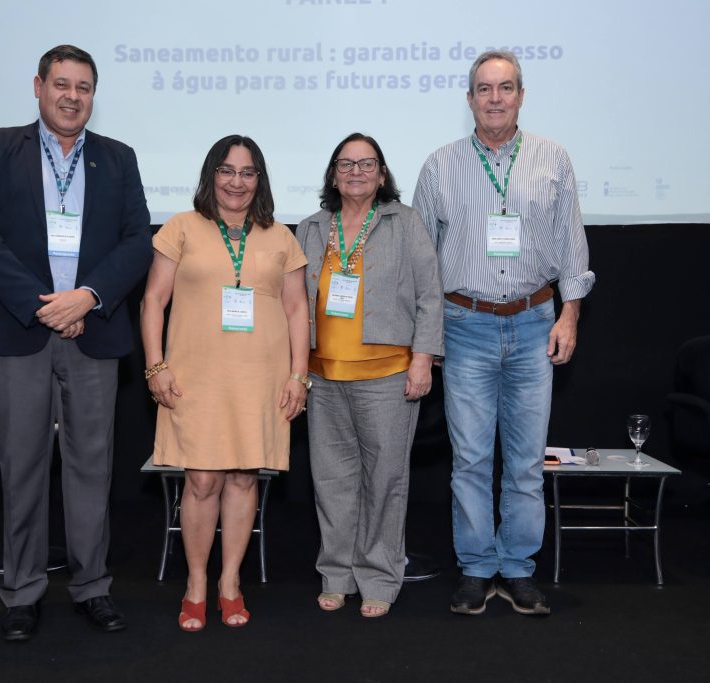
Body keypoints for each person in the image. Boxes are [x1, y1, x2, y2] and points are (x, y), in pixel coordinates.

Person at [0, 45, 152, 641]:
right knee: (22, 468)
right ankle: (22, 592)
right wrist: (46, 306)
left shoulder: (117, 158)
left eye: (83, 87)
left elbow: (137, 240)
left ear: (93, 95)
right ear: (39, 87)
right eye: (61, 84)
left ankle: (92, 587)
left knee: (92, 467)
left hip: (93, 330)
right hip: (19, 330)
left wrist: (87, 297)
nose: (72, 96)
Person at [413, 50, 595, 617]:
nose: (495, 98)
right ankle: (475, 568)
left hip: (535, 322)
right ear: (469, 99)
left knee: (524, 461)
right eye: (485, 89)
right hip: (464, 326)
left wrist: (570, 315)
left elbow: (572, 245)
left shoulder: (553, 159)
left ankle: (516, 568)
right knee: (470, 459)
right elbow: (420, 261)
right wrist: (426, 337)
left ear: (521, 95)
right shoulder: (440, 166)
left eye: (506, 87)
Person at [140, 135, 309, 631]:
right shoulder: (181, 227)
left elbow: (297, 309)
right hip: (195, 378)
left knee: (242, 479)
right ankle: (196, 583)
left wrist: (299, 375)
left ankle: (230, 582)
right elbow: (153, 301)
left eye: (248, 172)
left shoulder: (281, 237)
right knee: (201, 480)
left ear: (260, 179)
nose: (237, 181)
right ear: (211, 174)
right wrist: (155, 366)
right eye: (227, 170)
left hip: (260, 378)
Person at [296, 133, 443, 618]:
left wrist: (423, 358)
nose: (355, 172)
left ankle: (379, 578)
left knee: (384, 480)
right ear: (332, 174)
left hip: (388, 374)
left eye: (366, 164)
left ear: (381, 175)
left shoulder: (405, 222)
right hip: (323, 376)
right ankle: (336, 575)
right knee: (331, 481)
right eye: (345, 164)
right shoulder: (311, 227)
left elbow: (430, 294)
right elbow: (292, 303)